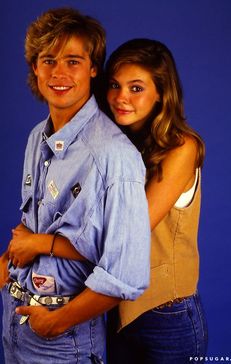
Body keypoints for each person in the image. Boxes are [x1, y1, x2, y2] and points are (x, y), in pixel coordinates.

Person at [0, 10, 151, 364]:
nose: (59, 73)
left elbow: (124, 275)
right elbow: (34, 227)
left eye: (73, 61)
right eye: (48, 60)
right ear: (35, 68)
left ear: (93, 68)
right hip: (15, 322)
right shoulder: (37, 136)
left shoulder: (114, 156)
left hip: (64, 340)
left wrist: (54, 325)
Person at [105, 38, 208, 364]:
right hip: (116, 312)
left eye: (136, 88)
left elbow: (132, 230)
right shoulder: (115, 145)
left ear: (161, 92)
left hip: (169, 317)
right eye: (115, 85)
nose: (121, 97)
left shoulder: (182, 147)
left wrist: (45, 244)